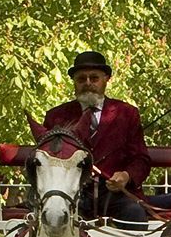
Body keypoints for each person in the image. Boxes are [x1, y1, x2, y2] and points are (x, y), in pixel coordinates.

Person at [42, 51, 151, 225]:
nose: (87, 84)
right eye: (81, 79)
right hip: (70, 195)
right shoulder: (56, 117)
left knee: (135, 214)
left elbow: (141, 159)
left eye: (94, 78)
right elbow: (47, 161)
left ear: (106, 79)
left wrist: (126, 175)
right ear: (74, 82)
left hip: (115, 196)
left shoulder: (127, 114)